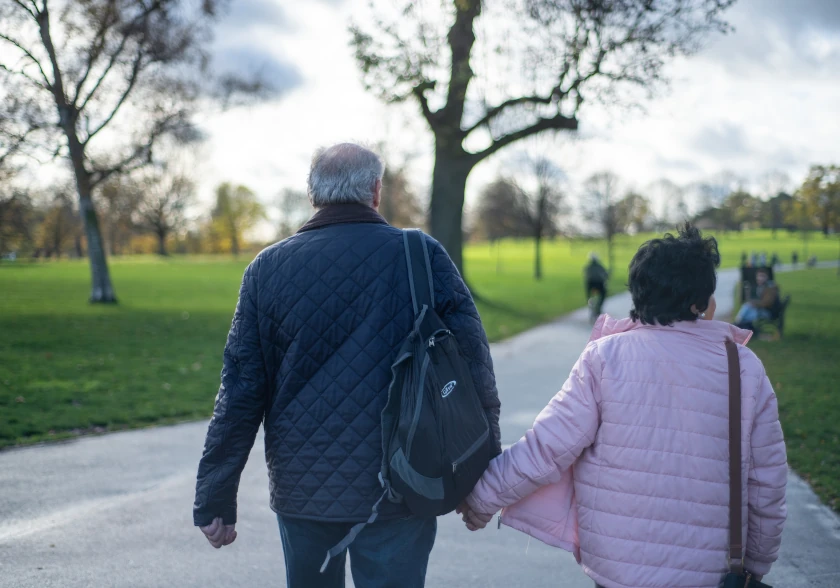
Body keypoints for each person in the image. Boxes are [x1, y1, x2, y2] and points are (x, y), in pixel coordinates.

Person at [193, 143, 502, 588]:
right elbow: (473, 369)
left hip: (304, 491)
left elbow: (240, 390)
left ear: (312, 193)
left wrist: (215, 495)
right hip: (405, 482)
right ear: (375, 191)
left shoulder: (266, 269)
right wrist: (483, 478)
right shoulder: (420, 254)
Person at [459, 224, 787, 588]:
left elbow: (547, 446)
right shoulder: (742, 366)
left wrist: (481, 497)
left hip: (619, 569)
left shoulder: (605, 358)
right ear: (699, 304)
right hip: (712, 570)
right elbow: (767, 479)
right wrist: (757, 559)